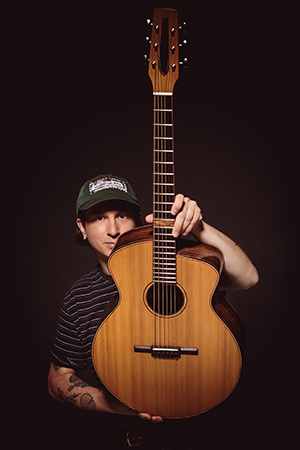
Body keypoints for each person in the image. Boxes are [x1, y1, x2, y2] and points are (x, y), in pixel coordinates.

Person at [48, 173, 259, 428]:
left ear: (138, 220)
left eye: (122, 215)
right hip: (122, 437)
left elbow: (248, 277)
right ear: (82, 227)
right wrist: (112, 405)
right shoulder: (80, 297)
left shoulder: (179, 265)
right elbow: (57, 378)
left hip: (205, 428)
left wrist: (197, 226)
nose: (113, 229)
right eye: (99, 217)